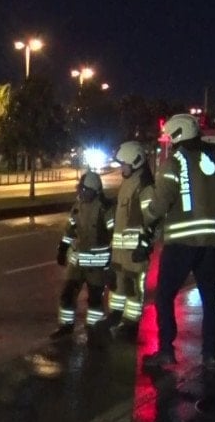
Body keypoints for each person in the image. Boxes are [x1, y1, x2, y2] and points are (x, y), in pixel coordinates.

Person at [134, 113, 215, 368]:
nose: (169, 142)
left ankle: (166, 350)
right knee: (210, 299)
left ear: (177, 135)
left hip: (181, 244)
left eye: (170, 138)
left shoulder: (174, 162)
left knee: (165, 297)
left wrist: (147, 211)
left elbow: (160, 204)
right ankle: (210, 355)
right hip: (212, 244)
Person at [51, 170, 114, 339]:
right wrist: (63, 248)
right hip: (77, 263)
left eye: (85, 190)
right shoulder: (78, 206)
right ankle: (66, 326)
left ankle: (94, 330)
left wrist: (112, 262)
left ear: (94, 190)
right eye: (81, 189)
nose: (81, 192)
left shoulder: (104, 209)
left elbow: (114, 235)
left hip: (96, 265)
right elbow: (70, 230)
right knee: (67, 294)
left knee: (94, 300)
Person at [106, 141, 155, 341]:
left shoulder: (144, 187)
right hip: (120, 251)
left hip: (135, 252)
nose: (122, 168)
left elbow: (152, 218)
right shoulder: (128, 184)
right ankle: (116, 316)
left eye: (124, 164)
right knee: (118, 286)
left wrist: (144, 244)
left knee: (133, 288)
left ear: (135, 162)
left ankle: (131, 324)